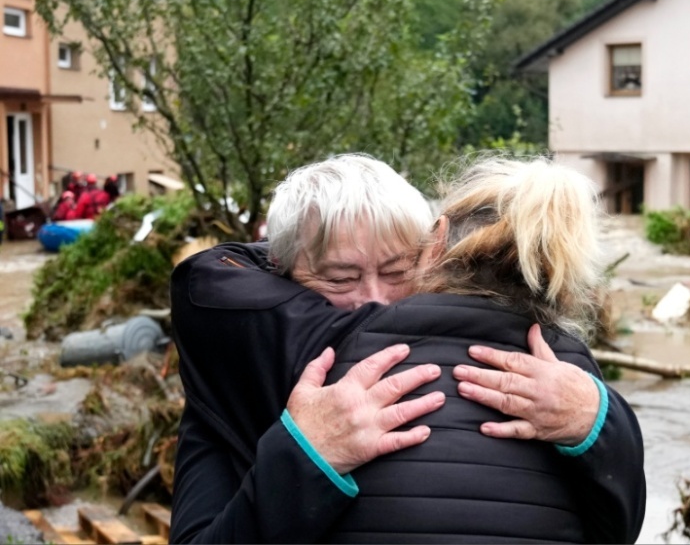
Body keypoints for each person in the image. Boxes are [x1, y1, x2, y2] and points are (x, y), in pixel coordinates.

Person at [170, 154, 644, 543]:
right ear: (278, 271)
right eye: (340, 278)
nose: (373, 299)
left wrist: (596, 418)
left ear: (433, 252)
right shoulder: (236, 364)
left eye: (397, 272)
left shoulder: (554, 374)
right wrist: (306, 456)